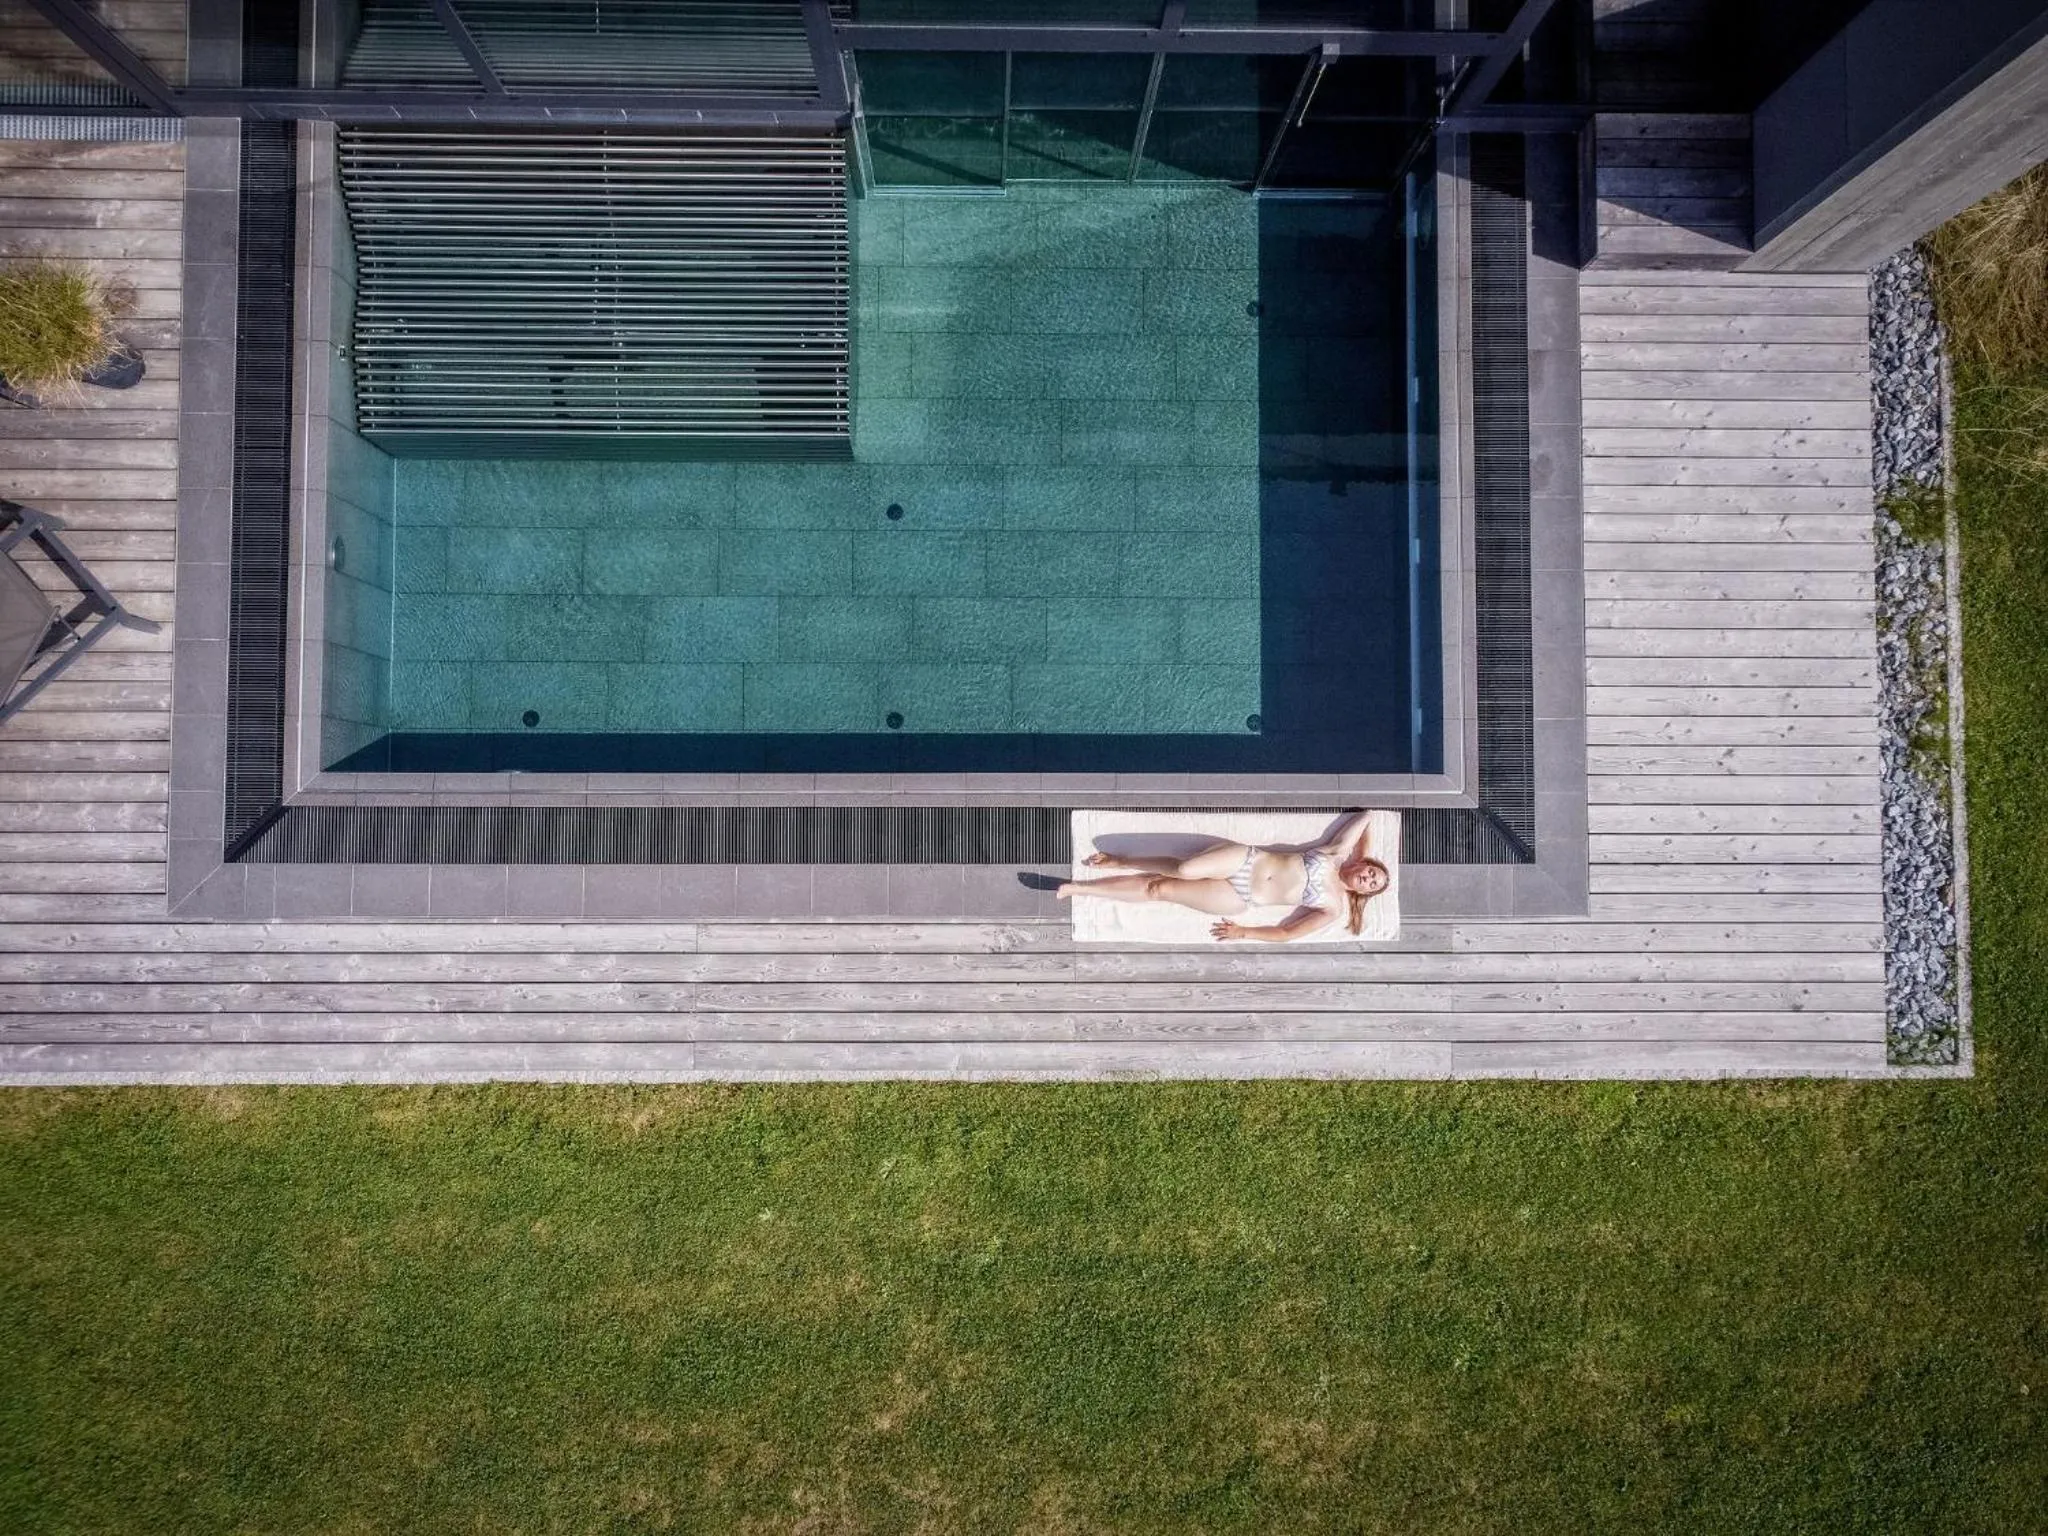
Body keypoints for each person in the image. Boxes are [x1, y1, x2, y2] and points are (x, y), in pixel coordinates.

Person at [1055, 810, 1390, 942]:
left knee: (1162, 889)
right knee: (1185, 869)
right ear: (1364, 864)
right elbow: (1366, 817)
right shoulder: (1335, 855)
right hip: (1247, 861)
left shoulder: (1333, 909)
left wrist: (1243, 932)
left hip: (1243, 898)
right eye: (1373, 873)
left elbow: (1287, 932)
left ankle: (1079, 889)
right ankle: (1119, 860)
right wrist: (1364, 850)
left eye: (1373, 885)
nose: (1370, 879)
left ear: (1365, 894)